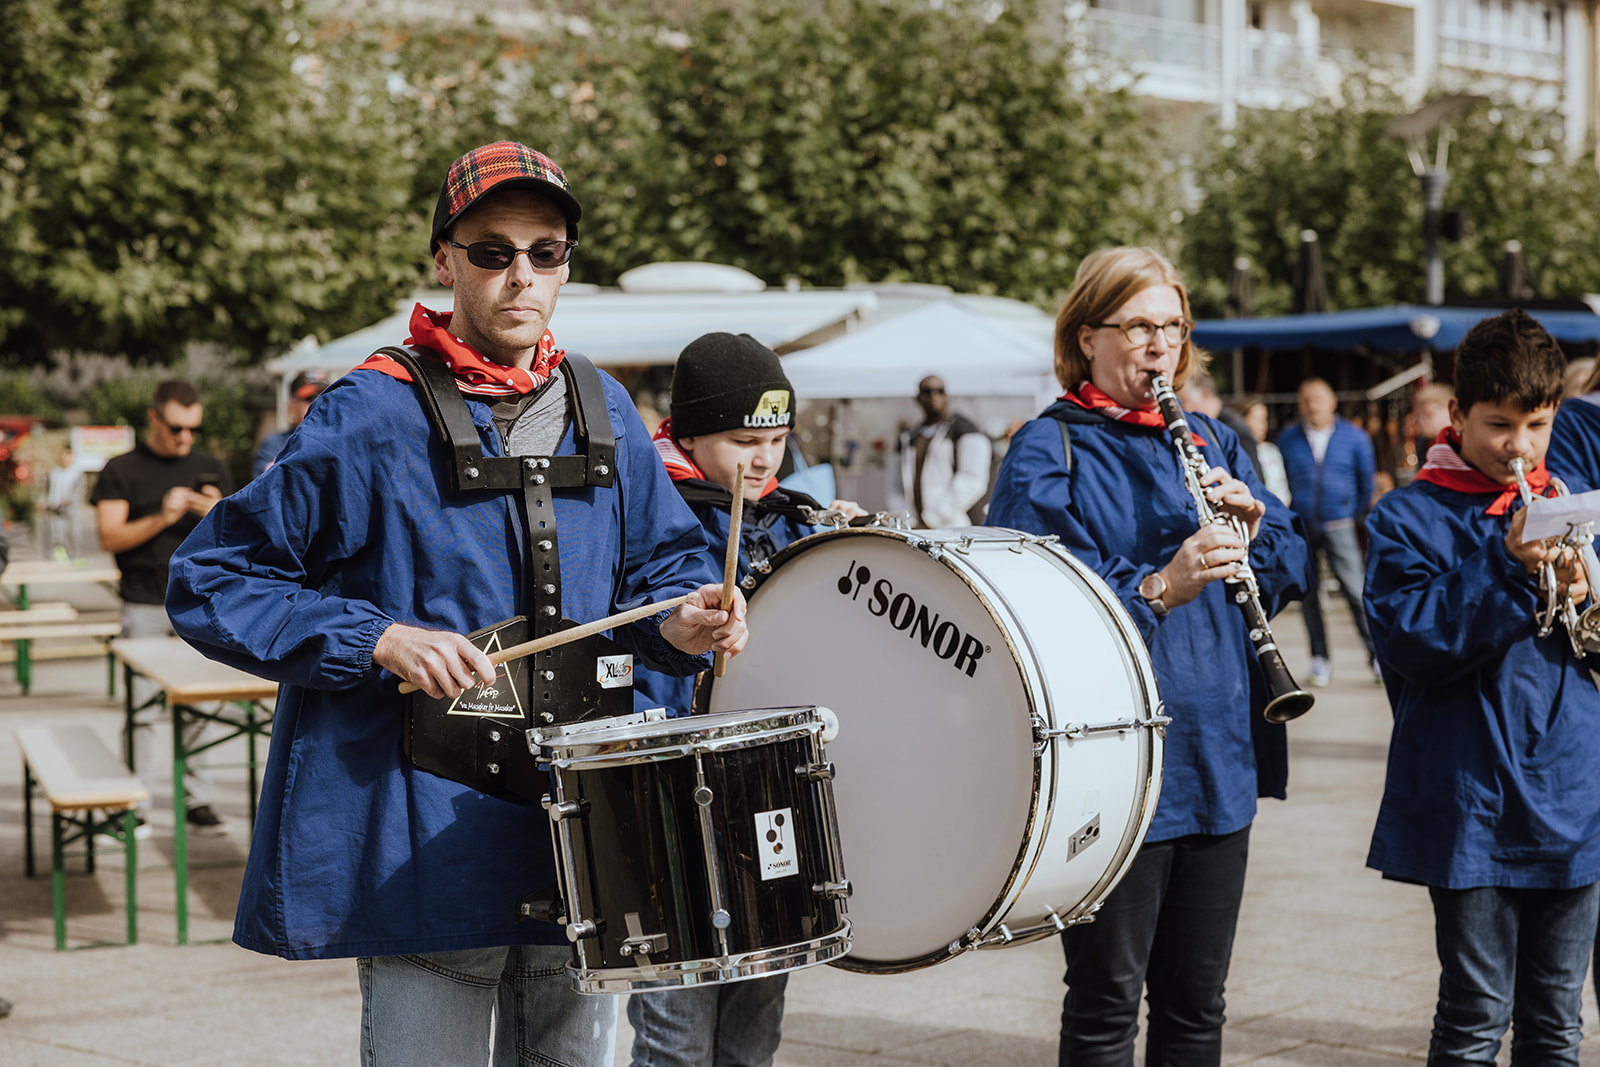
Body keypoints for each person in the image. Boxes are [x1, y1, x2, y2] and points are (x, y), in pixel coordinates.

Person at [165, 142, 747, 1067]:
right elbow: (211, 578)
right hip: (424, 842)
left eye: (545, 252)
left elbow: (665, 571)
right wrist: (379, 636)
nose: (522, 274)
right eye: (492, 250)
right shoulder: (369, 411)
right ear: (446, 260)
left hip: (580, 841)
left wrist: (680, 622)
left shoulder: (606, 404)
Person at [985, 246, 1311, 1066]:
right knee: (1105, 1003)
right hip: (1116, 763)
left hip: (1216, 760)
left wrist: (1260, 530)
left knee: (1199, 1008)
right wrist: (1159, 587)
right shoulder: (1046, 448)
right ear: (1087, 335)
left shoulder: (1212, 438)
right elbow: (1037, 607)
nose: (1160, 344)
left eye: (1173, 326)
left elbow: (1290, 571)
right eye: (1138, 326)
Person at [1364, 308, 1600, 1066]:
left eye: (1536, 425)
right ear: (1457, 414)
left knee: (1558, 1021)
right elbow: (1407, 641)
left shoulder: (1576, 505)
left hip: (1573, 795)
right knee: (1473, 1015)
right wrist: (1505, 565)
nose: (1519, 447)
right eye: (1499, 424)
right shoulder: (1408, 515)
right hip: (1471, 803)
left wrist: (1587, 593)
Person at [630, 331, 863, 1067]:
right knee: (675, 1030)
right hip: (669, 792)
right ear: (688, 431)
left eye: (778, 438)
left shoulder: (789, 517)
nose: (764, 459)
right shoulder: (645, 508)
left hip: (768, 794)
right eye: (742, 439)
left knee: (757, 1021)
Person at [92, 379, 234, 835]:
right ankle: (132, 803)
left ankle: (199, 800)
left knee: (203, 706)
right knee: (143, 711)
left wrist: (217, 512)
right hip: (144, 601)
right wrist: (164, 518)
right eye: (175, 427)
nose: (184, 438)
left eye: (192, 428)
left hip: (199, 605)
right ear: (153, 418)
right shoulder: (121, 469)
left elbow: (239, 534)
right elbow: (109, 537)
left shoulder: (210, 467)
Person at [1276, 378, 1378, 687]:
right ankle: (1320, 659)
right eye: (1307, 400)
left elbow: (1366, 480)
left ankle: (1376, 658)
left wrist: (1349, 510)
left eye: (1318, 399)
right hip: (1303, 526)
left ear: (1332, 402)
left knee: (1355, 590)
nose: (1313, 405)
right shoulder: (1288, 438)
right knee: (1308, 595)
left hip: (1340, 523)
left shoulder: (1354, 436)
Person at [887, 374, 992, 527]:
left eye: (939, 391)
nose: (933, 396)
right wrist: (907, 519)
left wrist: (933, 517)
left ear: (947, 395)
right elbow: (894, 487)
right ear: (918, 398)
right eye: (927, 392)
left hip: (951, 528)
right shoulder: (908, 438)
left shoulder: (965, 430)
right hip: (913, 529)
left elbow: (972, 480)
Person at [1178, 370, 1260, 478]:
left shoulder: (1233, 429)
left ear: (1205, 395)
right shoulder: (1223, 423)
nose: (1180, 409)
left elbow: (1254, 485)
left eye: (1183, 402)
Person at [252, 369, 330, 477]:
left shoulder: (338, 443)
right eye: (311, 398)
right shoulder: (275, 445)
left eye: (325, 398)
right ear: (292, 406)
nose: (318, 404)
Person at [1239, 398, 1290, 505]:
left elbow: (1282, 486)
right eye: (1257, 419)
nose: (1263, 424)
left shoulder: (1271, 451)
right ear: (1242, 421)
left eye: (1265, 419)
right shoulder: (1237, 453)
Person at [43, 446, 84, 560]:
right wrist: (45, 501)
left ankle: (75, 555)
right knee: (55, 532)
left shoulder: (77, 474)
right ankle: (53, 556)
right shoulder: (54, 473)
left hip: (70, 508)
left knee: (73, 533)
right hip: (54, 506)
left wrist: (69, 500)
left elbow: (79, 492)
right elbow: (46, 490)